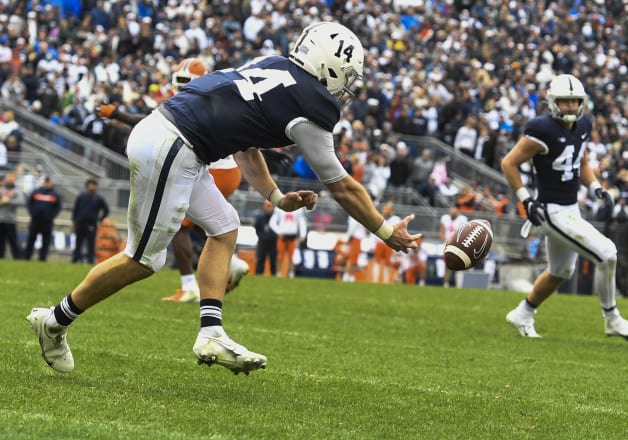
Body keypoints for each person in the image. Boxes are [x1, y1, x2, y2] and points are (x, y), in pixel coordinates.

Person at [26, 21, 421, 376]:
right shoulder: (309, 105)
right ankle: (55, 322)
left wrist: (277, 197)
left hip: (176, 141)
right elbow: (343, 185)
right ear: (329, 66)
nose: (346, 86)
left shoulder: (274, 67)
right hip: (174, 144)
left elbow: (246, 146)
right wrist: (386, 231)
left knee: (224, 226)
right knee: (143, 259)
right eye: (346, 76)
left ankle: (211, 332)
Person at [500, 74, 628, 341]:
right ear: (553, 102)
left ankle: (523, 312)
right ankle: (612, 318)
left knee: (561, 271)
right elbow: (508, 163)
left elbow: (582, 160)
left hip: (570, 207)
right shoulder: (540, 129)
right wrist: (525, 198)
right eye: (564, 101)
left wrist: (594, 186)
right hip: (551, 210)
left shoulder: (583, 125)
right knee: (608, 253)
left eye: (574, 101)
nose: (569, 106)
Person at [98, 58, 250, 302]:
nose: (180, 85)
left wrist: (118, 114)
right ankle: (231, 261)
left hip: (213, 171)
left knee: (178, 226)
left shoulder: (192, 102)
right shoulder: (214, 97)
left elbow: (152, 124)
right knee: (204, 222)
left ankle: (189, 285)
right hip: (228, 170)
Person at [71, 178, 110, 264]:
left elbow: (106, 210)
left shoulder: (99, 198)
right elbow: (75, 209)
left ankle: (90, 260)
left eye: (94, 185)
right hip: (80, 223)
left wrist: (100, 219)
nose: (92, 187)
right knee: (78, 242)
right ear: (87, 186)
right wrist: (74, 220)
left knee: (91, 243)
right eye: (91, 184)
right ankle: (75, 259)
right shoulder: (81, 196)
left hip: (91, 224)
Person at [24, 176, 62, 261]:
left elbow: (58, 207)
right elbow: (29, 203)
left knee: (45, 241)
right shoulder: (36, 192)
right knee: (31, 240)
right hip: (35, 220)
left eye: (48, 182)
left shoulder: (55, 194)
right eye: (45, 182)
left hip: (47, 222)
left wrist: (51, 216)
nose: (46, 183)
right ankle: (27, 257)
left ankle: (42, 258)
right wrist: (33, 213)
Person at [268, 206, 308, 278]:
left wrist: (303, 234)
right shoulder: (279, 207)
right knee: (280, 256)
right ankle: (278, 273)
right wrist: (278, 231)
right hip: (282, 236)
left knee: (292, 256)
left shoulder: (298, 208)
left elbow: (301, 221)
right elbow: (272, 222)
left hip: (292, 236)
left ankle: (291, 274)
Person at [439, 206, 468, 287]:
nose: (453, 212)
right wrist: (446, 242)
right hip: (447, 244)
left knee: (460, 264)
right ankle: (446, 283)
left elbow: (464, 233)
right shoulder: (445, 218)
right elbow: (442, 232)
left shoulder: (462, 219)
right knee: (447, 265)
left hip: (458, 245)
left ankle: (459, 285)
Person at [372, 202, 401, 283]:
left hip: (389, 243)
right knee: (377, 262)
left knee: (388, 264)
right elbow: (375, 230)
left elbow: (397, 231)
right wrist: (373, 243)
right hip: (379, 242)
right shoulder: (380, 218)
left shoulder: (396, 219)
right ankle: (375, 281)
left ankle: (386, 281)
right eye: (385, 210)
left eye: (387, 210)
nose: (385, 212)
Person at [0, 171, 23, 259]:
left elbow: (21, 201)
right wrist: (2, 202)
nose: (10, 179)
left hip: (11, 220)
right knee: (1, 241)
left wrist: (9, 201)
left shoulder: (17, 190)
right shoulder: (1, 189)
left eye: (12, 177)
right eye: (8, 177)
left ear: (14, 179)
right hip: (1, 219)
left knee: (13, 241)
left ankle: (17, 258)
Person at [254, 200, 278, 275]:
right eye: (267, 206)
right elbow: (257, 229)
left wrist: (272, 237)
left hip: (273, 243)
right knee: (260, 260)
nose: (269, 208)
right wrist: (263, 236)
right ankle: (258, 276)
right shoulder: (260, 217)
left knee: (273, 261)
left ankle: (273, 276)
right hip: (262, 242)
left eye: (270, 206)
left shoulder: (277, 218)